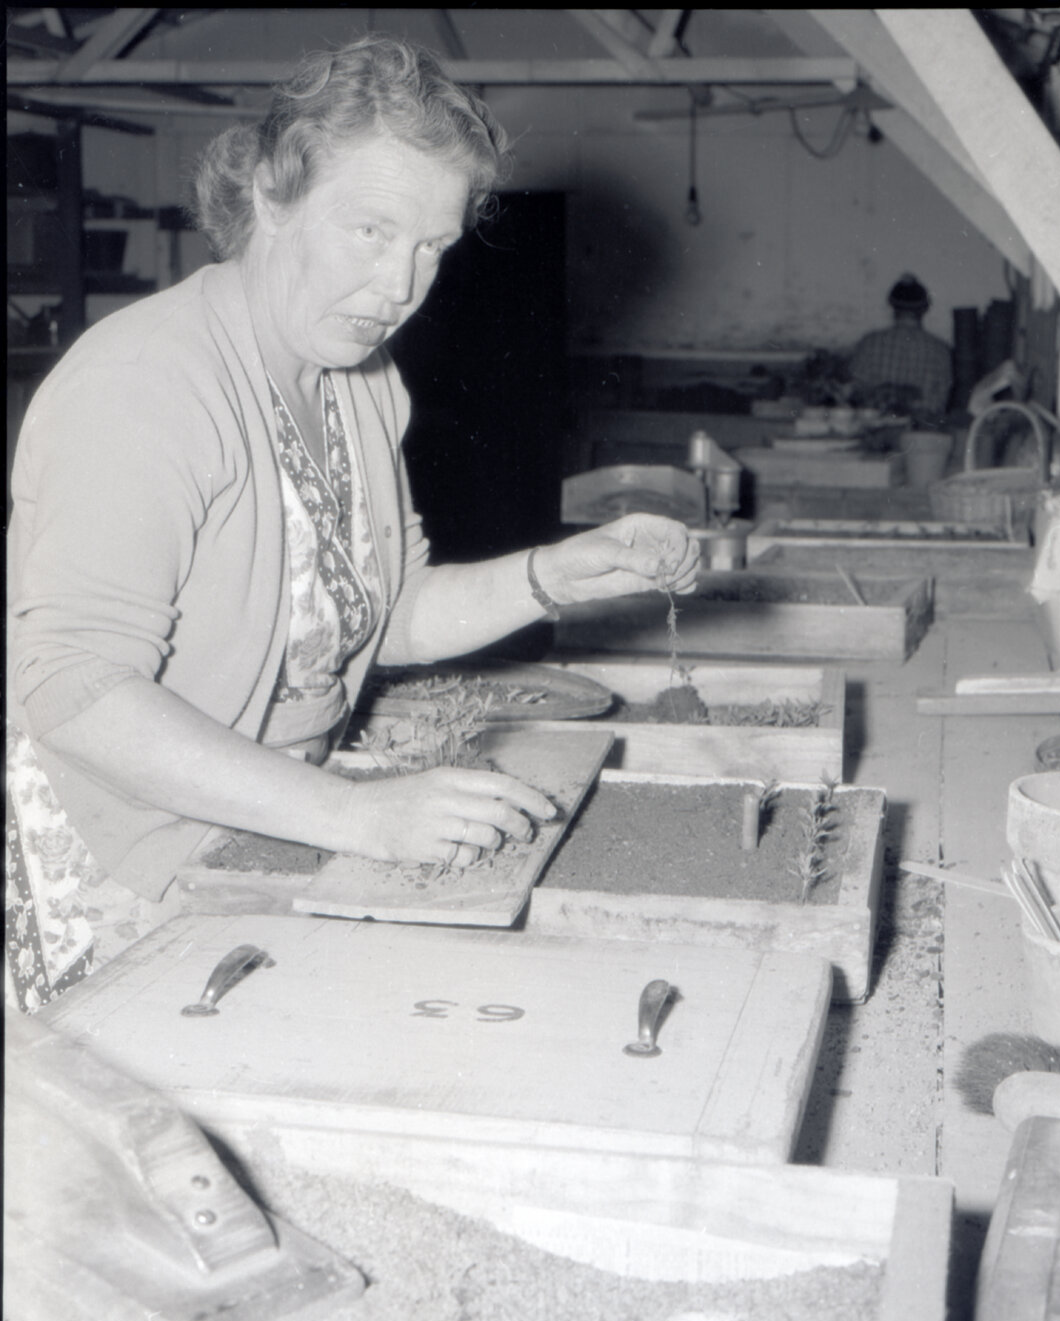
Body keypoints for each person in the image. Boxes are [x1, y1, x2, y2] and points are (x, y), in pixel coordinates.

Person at [4, 35, 699, 1013]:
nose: (401, 286)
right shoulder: (146, 386)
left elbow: (390, 615)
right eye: (369, 232)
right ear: (269, 201)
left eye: (432, 248)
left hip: (259, 821)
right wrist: (358, 818)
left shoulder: (360, 383)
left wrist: (554, 575)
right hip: (117, 851)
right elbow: (73, 692)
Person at [847, 272, 953, 422]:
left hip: (873, 430)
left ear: (892, 306)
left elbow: (855, 394)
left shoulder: (869, 343)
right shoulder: (941, 351)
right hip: (918, 433)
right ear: (924, 308)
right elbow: (938, 405)